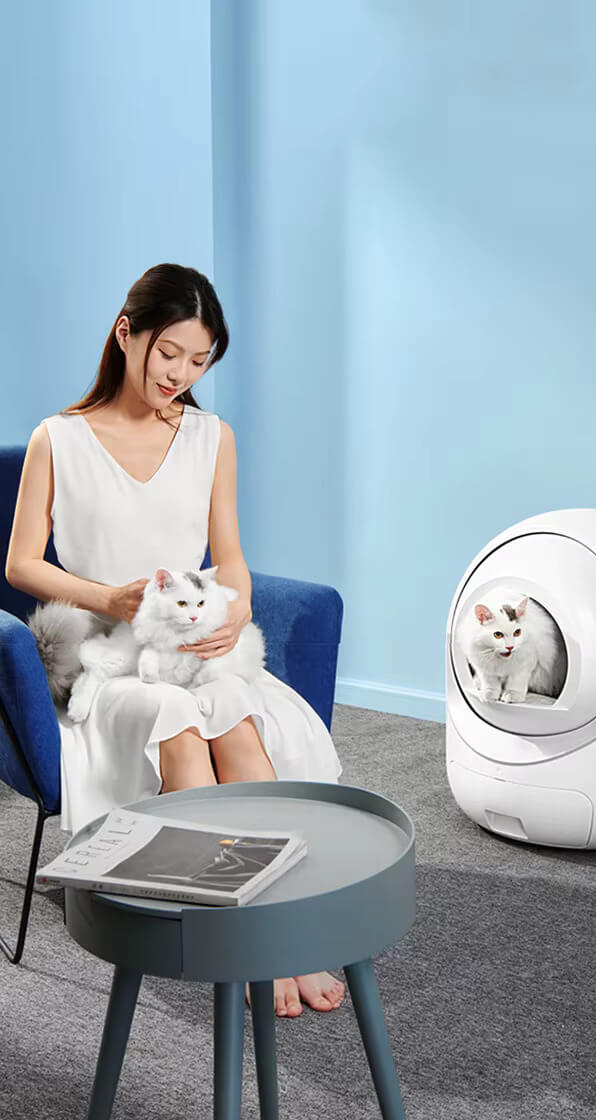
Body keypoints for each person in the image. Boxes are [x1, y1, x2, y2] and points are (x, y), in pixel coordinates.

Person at [5, 262, 346, 1018]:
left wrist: (237, 608)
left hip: (189, 640)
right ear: (126, 334)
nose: (181, 374)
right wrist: (108, 596)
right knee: (178, 724)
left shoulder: (210, 438)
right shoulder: (57, 439)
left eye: (200, 360)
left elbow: (229, 554)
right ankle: (244, 937)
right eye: (169, 354)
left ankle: (280, 924)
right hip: (111, 656)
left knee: (235, 713)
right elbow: (20, 563)